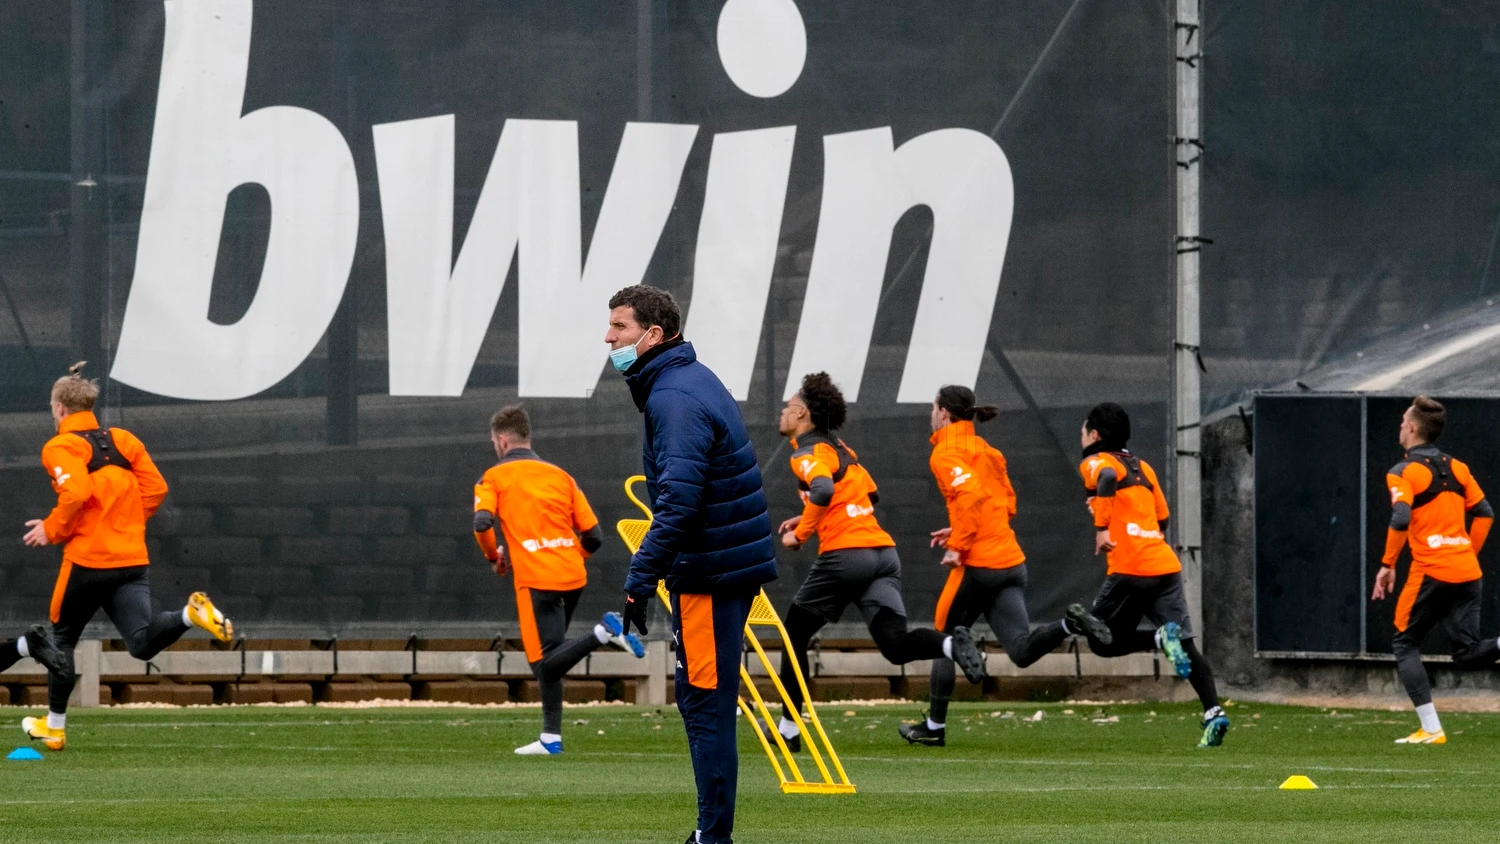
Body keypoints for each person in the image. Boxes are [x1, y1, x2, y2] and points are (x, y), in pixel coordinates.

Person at [607, 285, 777, 844]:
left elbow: (680, 500)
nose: (609, 338)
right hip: (724, 563)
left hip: (708, 570)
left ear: (653, 335)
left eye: (620, 328)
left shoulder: (672, 395)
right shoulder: (689, 378)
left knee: (704, 705)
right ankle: (712, 832)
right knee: (710, 701)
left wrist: (639, 578)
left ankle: (712, 835)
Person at [20, 362, 232, 751]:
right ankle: (190, 614)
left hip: (87, 561)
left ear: (61, 409)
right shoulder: (122, 440)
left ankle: (54, 727)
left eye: (53, 408)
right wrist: (123, 521)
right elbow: (156, 488)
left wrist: (51, 529)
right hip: (131, 560)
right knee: (141, 642)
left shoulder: (61, 446)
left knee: (60, 638)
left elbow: (76, 494)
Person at [773, 373, 987, 752]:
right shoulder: (842, 449)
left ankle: (789, 730)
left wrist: (800, 534)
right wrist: (810, 515)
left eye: (788, 406)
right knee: (895, 645)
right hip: (883, 555)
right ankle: (954, 646)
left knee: (793, 637)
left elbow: (822, 488)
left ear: (802, 413)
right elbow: (867, 498)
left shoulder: (806, 452)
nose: (782, 411)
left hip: (845, 557)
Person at [898, 386, 1111, 747]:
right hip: (1010, 560)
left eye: (934, 408)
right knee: (1021, 650)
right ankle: (1068, 623)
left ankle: (934, 729)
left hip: (978, 564)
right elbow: (1005, 505)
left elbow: (971, 495)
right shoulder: (989, 451)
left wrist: (958, 543)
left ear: (945, 414)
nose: (931, 414)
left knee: (943, 638)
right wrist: (960, 526)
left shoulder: (945, 452)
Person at [472, 404, 644, 755]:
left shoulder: (494, 478)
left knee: (543, 663)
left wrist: (495, 557)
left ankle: (605, 632)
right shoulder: (559, 476)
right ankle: (551, 738)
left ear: (502, 441)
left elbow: (482, 524)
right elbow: (594, 536)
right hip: (573, 574)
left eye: (494, 442)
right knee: (556, 654)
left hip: (536, 580)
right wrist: (568, 554)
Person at [1071, 402, 1228, 748]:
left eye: (1083, 431)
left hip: (1130, 568)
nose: (1081, 437)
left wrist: (1102, 527)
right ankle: (1214, 711)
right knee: (1187, 644)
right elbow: (1163, 519)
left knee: (1099, 639)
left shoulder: (1095, 462)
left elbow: (1107, 479)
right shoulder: (1144, 468)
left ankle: (1157, 641)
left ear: (1094, 436)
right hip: (1164, 565)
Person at [1372, 396, 1499, 745]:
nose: (1400, 427)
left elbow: (1400, 517)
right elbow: (1485, 512)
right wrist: (1465, 551)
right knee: (1468, 652)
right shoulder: (1457, 467)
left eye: (1402, 422)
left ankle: (1431, 729)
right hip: (1468, 572)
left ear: (1412, 428)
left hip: (1431, 571)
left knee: (1404, 641)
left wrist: (1387, 565)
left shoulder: (1403, 471)